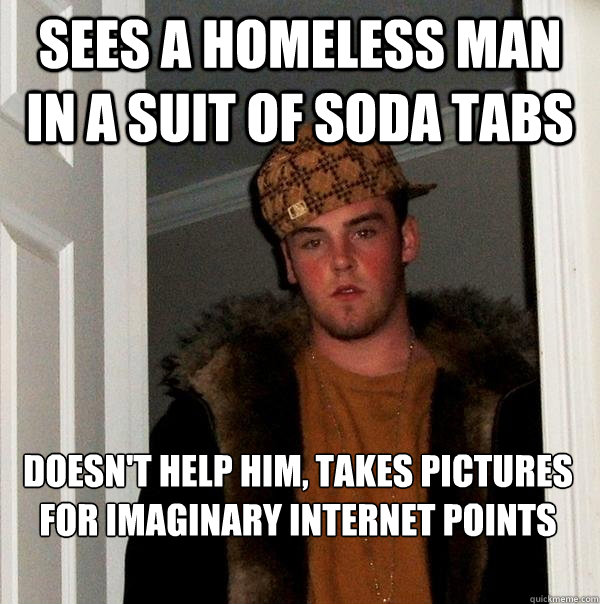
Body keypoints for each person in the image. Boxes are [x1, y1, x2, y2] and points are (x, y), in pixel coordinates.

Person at [124, 124, 546, 604]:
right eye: (313, 242)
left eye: (363, 232)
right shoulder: (210, 424)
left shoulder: (514, 410)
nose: (341, 260)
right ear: (289, 263)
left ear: (407, 240)